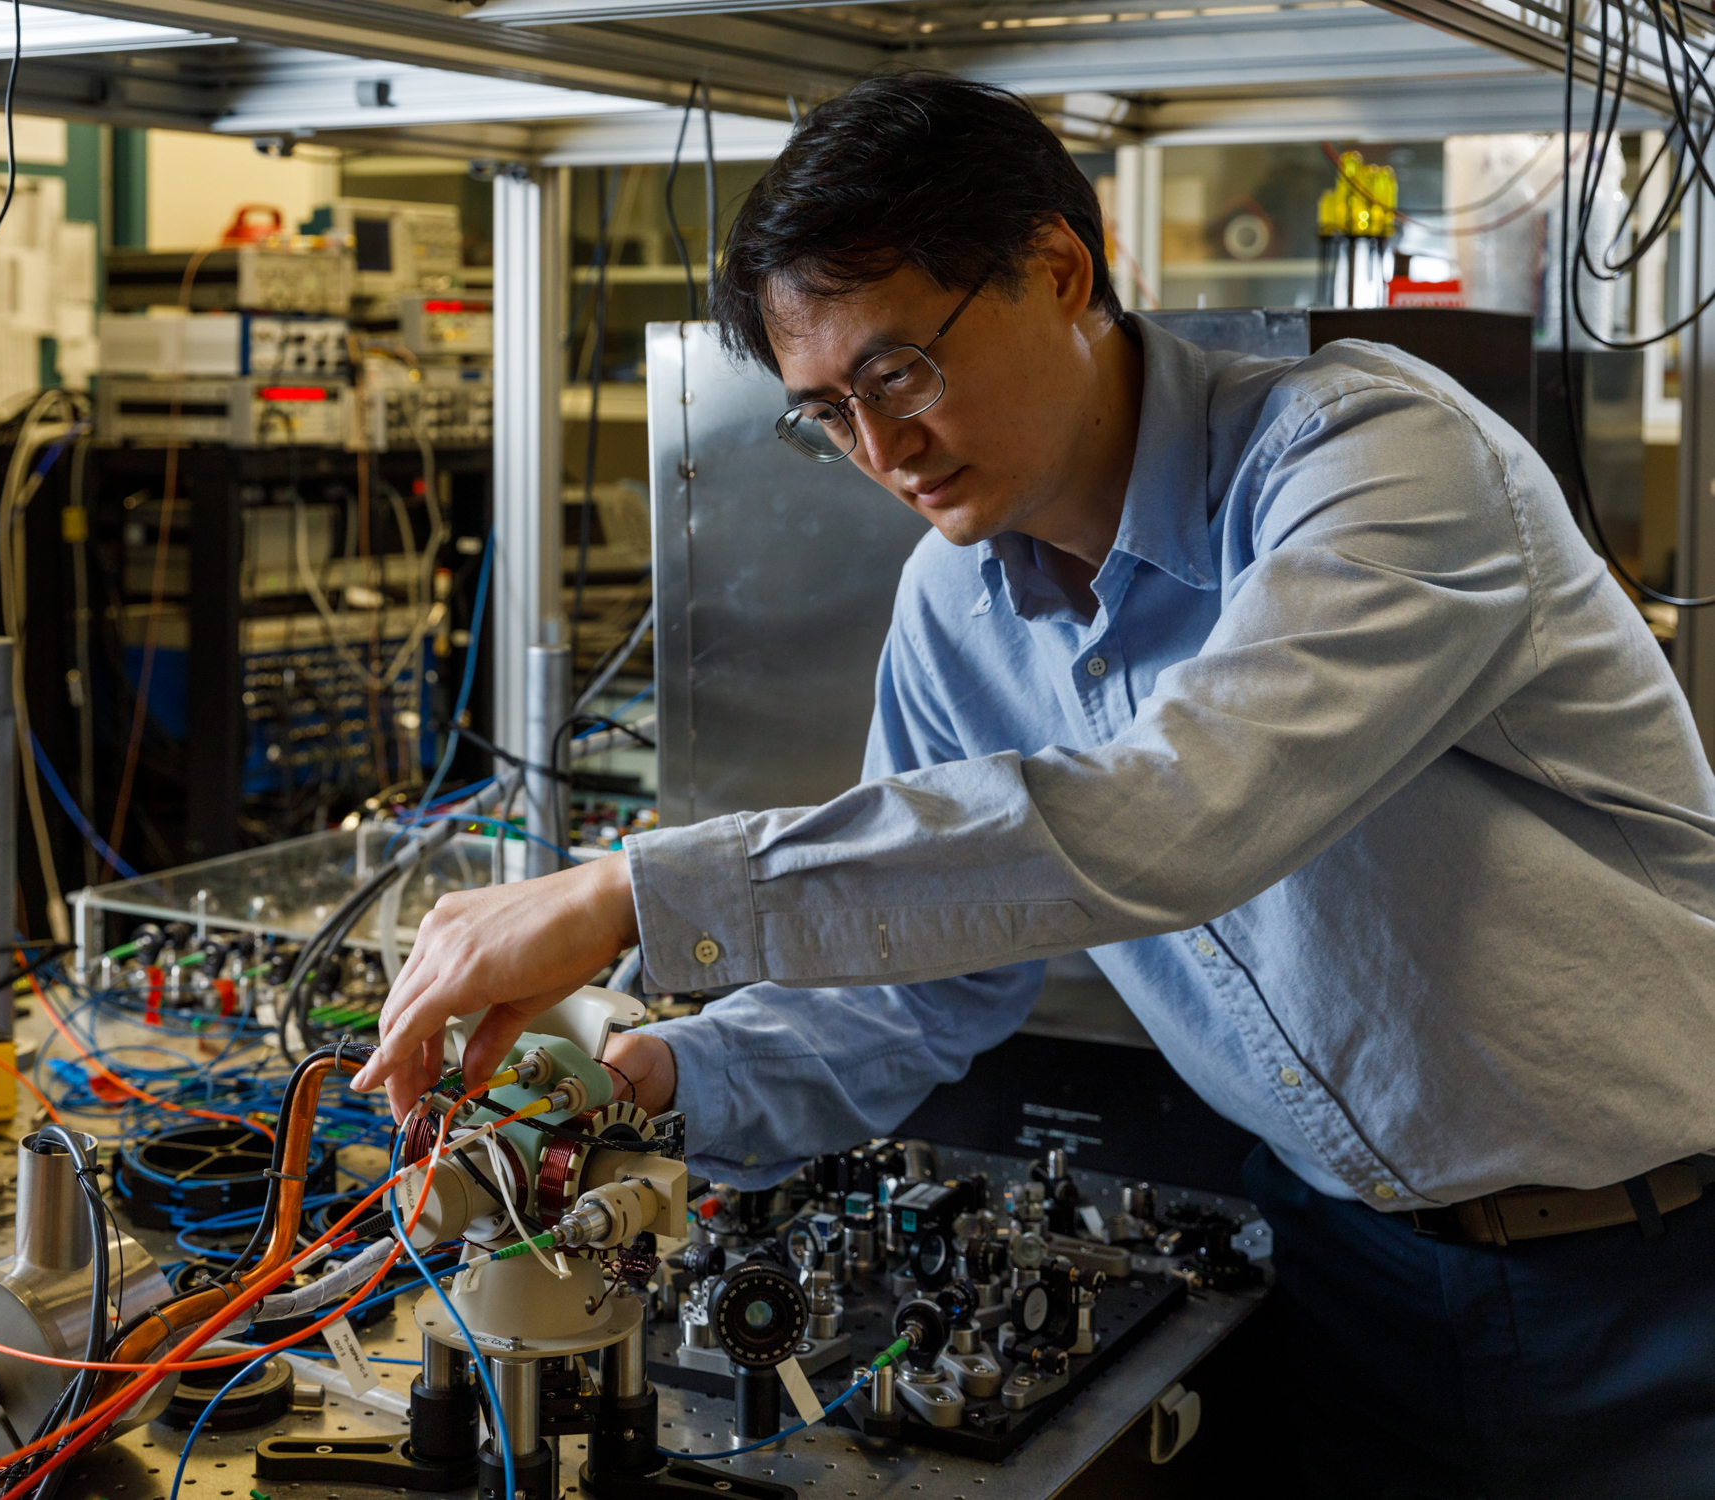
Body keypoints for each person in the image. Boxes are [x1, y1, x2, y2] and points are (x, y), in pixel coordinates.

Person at [352, 73, 1715, 1495]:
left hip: (1642, 1275)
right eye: (826, 414)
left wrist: (635, 894)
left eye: (898, 373)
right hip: (1330, 1267)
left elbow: (1177, 814)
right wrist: (658, 1084)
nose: (882, 452)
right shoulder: (954, 607)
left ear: (1058, 269)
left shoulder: (1373, 460)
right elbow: (917, 991)